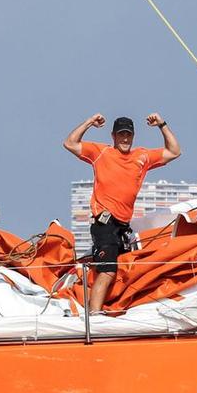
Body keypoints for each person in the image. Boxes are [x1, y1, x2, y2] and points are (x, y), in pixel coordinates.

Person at [63, 112, 181, 312]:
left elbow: (174, 151)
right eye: (121, 135)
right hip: (104, 223)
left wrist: (162, 125)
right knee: (108, 271)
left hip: (123, 228)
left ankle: (110, 310)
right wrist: (90, 122)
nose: (125, 139)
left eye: (128, 135)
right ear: (113, 136)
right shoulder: (101, 152)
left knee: (123, 271)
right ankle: (94, 318)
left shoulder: (142, 156)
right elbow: (70, 143)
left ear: (133, 137)